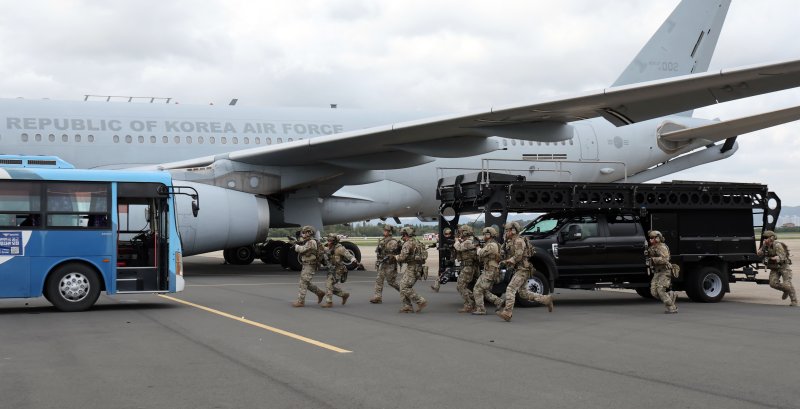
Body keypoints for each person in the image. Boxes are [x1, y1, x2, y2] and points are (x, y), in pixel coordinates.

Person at [496, 221, 554, 322]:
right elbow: (504, 253)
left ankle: (507, 312)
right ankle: (545, 299)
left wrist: (508, 261)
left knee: (510, 289)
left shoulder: (519, 241)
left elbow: (518, 256)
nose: (506, 232)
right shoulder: (510, 241)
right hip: (519, 269)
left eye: (507, 230)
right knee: (523, 293)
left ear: (513, 230)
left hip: (523, 269)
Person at [757, 230, 796, 306]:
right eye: (764, 238)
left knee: (787, 285)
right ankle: (785, 290)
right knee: (772, 284)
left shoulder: (777, 245)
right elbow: (759, 253)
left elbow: (783, 257)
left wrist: (776, 258)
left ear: (771, 238)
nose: (764, 239)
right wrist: (760, 251)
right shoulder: (765, 245)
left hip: (783, 267)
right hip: (774, 268)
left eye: (766, 237)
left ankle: (794, 301)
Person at [395, 226, 428, 313]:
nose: (402, 237)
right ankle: (407, 306)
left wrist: (395, 257)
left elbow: (402, 257)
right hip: (417, 267)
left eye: (403, 235)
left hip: (412, 268)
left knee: (405, 287)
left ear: (406, 234)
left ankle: (420, 301)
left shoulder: (407, 244)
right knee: (402, 285)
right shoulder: (418, 242)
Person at [472, 226, 504, 315]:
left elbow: (481, 253)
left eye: (486, 234)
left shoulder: (492, 245)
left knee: (477, 289)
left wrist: (477, 247)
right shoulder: (491, 244)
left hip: (491, 271)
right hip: (489, 270)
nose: (484, 236)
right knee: (482, 289)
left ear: (490, 235)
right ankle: (498, 301)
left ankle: (481, 309)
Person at [291, 225, 325, 307]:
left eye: (305, 232)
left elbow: (303, 249)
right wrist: (296, 242)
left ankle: (300, 301)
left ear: (309, 233)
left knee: (303, 283)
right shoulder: (308, 241)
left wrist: (295, 245)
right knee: (306, 282)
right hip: (306, 264)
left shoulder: (311, 242)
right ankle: (320, 293)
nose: (303, 234)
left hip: (310, 265)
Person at [646, 230, 678, 314]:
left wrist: (653, 259)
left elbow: (665, 259)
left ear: (658, 238)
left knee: (661, 291)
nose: (651, 240)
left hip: (664, 271)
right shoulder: (652, 248)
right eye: (650, 238)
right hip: (657, 272)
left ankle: (672, 308)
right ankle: (671, 296)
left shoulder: (662, 247)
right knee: (654, 292)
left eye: (653, 238)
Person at [371, 224, 401, 304]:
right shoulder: (382, 240)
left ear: (390, 232)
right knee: (379, 280)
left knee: (391, 282)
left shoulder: (393, 242)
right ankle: (377, 297)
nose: (384, 232)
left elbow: (395, 253)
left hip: (390, 265)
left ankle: (405, 292)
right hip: (383, 264)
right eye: (384, 230)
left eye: (386, 231)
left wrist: (390, 256)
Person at [320, 233, 351, 308]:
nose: (328, 242)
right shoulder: (329, 248)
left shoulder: (340, 249)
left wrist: (354, 261)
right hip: (332, 269)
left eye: (330, 241)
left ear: (334, 242)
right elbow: (325, 250)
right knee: (329, 286)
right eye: (328, 240)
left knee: (329, 284)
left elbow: (349, 255)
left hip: (339, 270)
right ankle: (344, 295)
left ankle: (329, 302)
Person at [453, 225, 479, 312]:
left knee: (460, 286)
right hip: (470, 266)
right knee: (463, 286)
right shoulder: (470, 240)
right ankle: (475, 301)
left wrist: (456, 241)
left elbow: (459, 248)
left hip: (468, 267)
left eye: (461, 232)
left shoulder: (468, 241)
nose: (460, 234)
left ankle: (469, 304)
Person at [431, 227, 455, 292]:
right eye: (446, 234)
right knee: (441, 271)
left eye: (449, 234)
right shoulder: (442, 240)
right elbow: (437, 243)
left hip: (451, 259)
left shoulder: (453, 240)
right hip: (444, 259)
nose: (447, 235)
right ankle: (436, 286)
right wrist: (433, 245)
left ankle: (438, 284)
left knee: (447, 272)